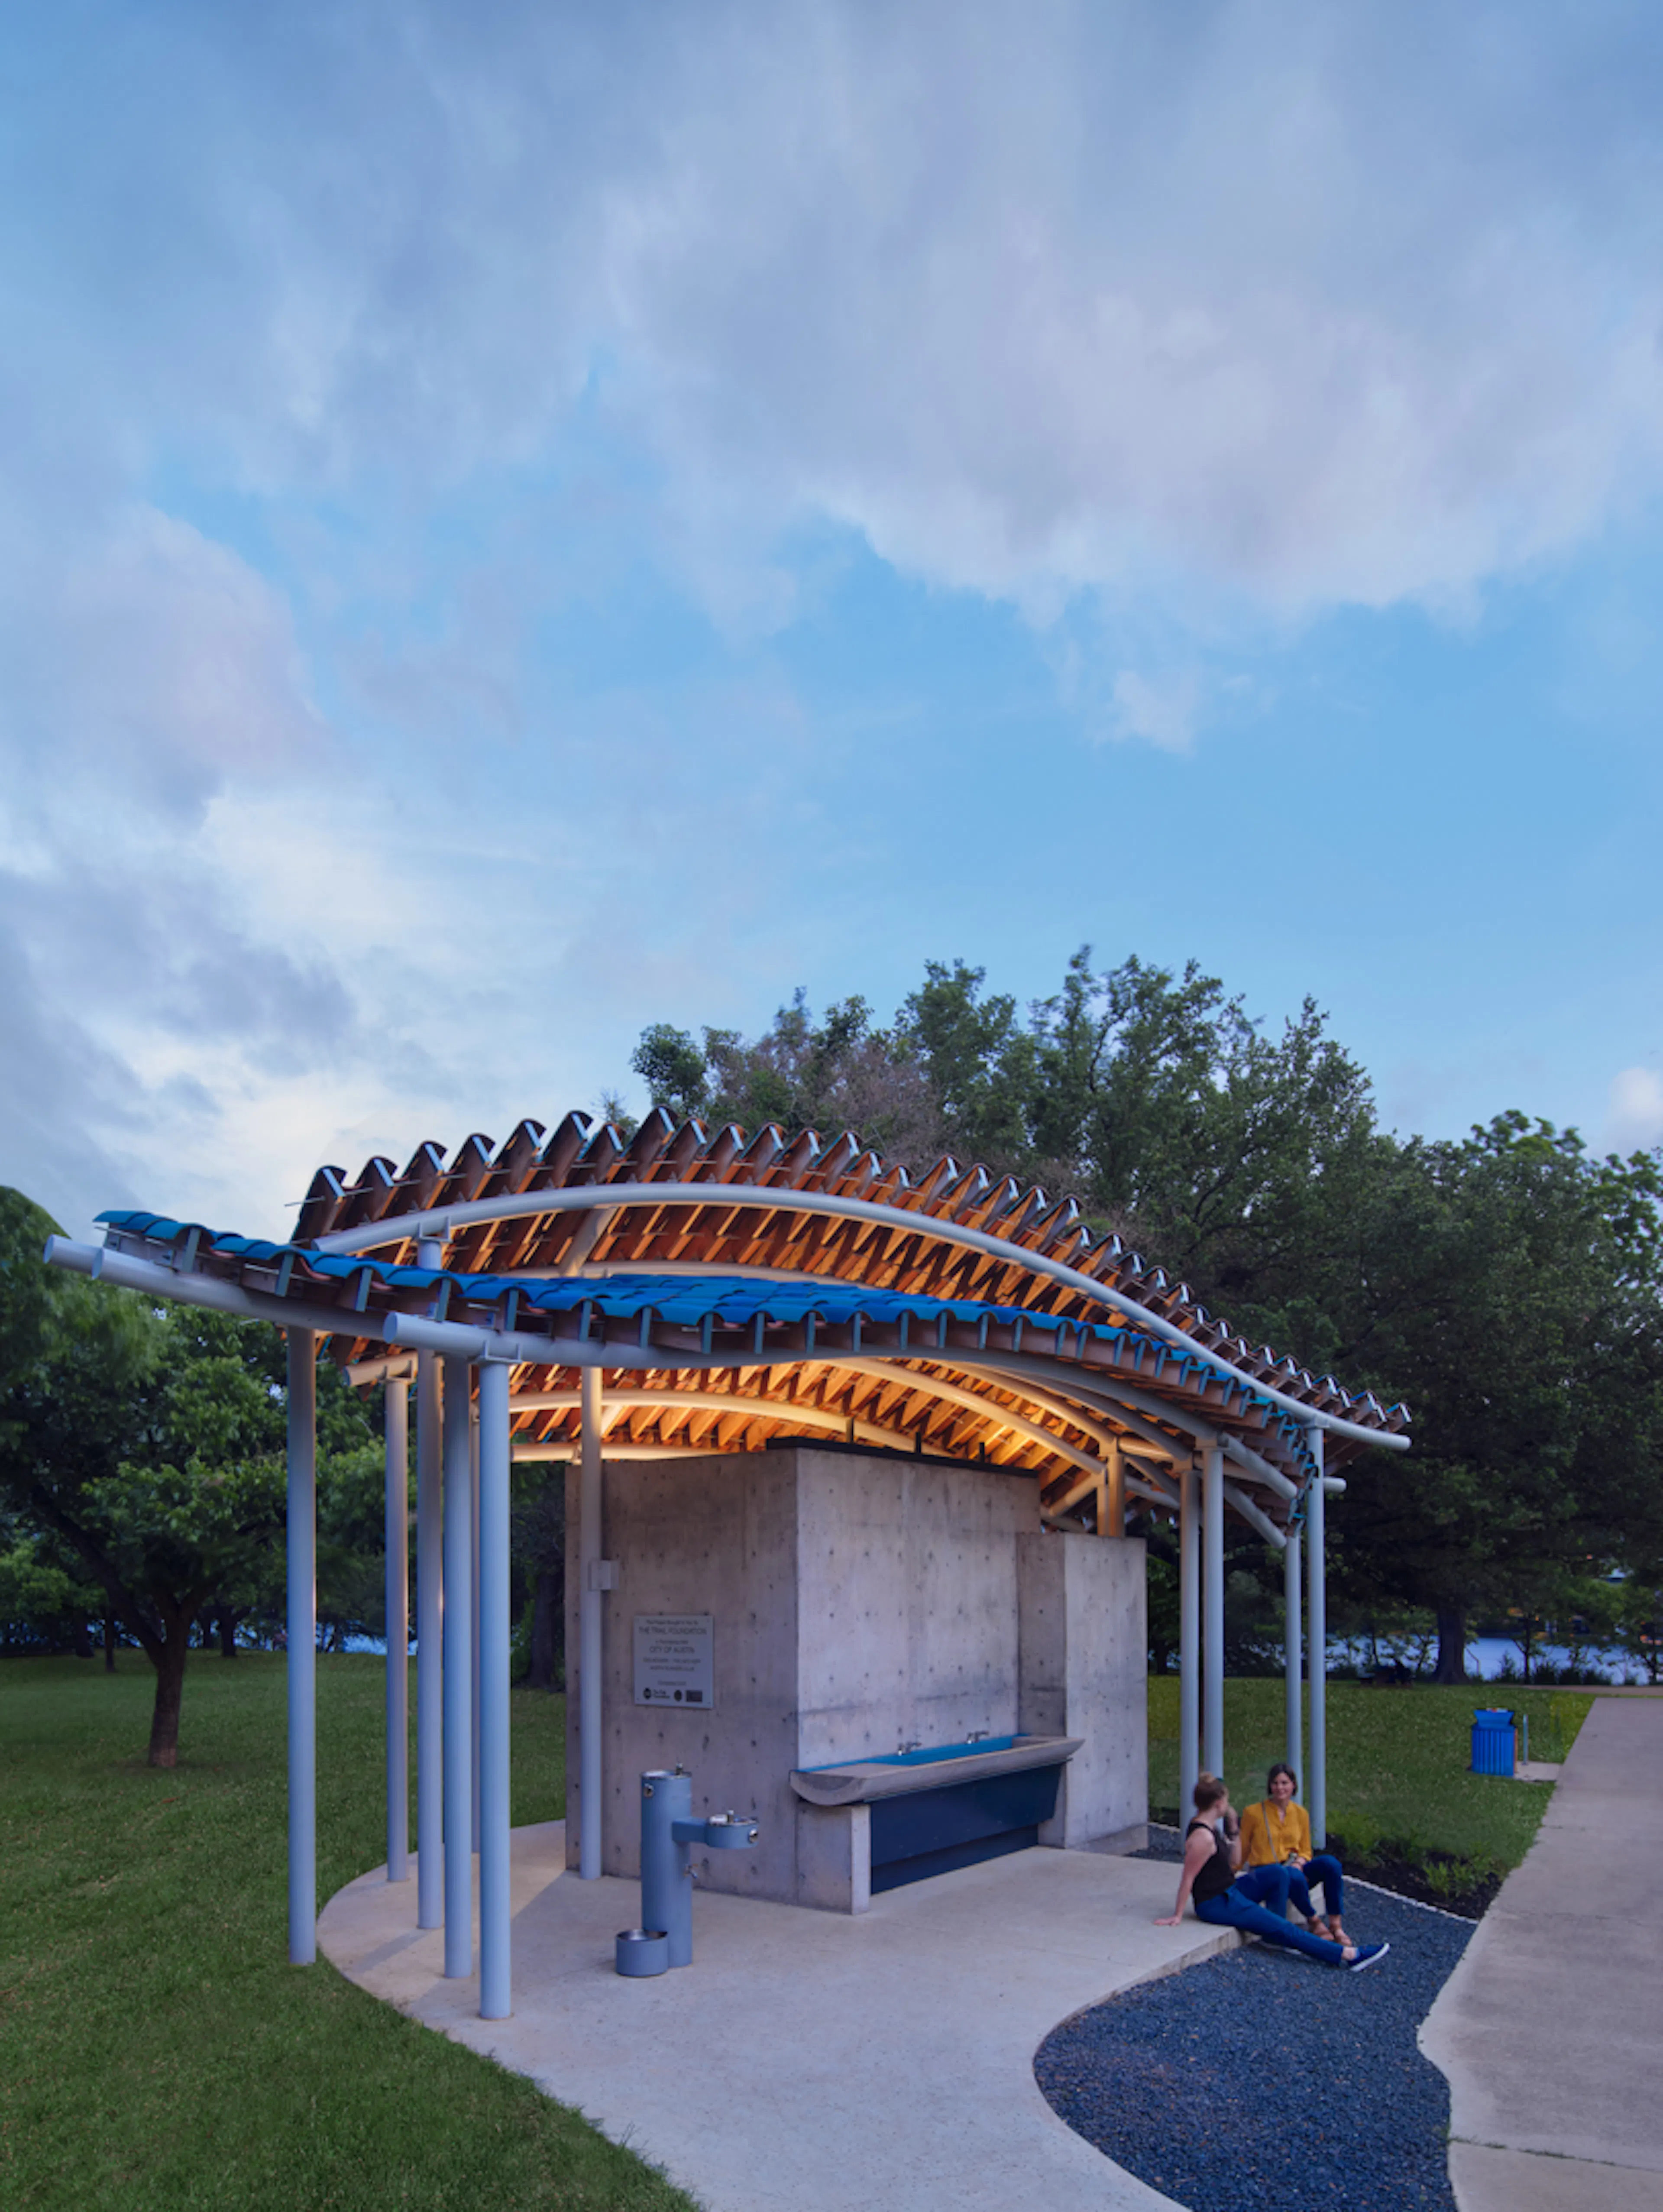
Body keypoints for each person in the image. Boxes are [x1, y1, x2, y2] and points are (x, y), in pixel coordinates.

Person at [1156, 1773, 1388, 1971]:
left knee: (1278, 1872)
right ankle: (1347, 1956)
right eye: (1226, 1799)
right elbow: (1188, 1878)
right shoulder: (1202, 1838)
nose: (1228, 1804)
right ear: (1218, 1803)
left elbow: (1234, 1862)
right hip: (1216, 1904)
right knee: (1285, 1927)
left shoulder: (1211, 1828)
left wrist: (1235, 1830)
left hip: (1230, 1890)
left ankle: (1272, 1935)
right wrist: (1177, 1915)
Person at [1239, 1762, 1351, 1946]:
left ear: (1293, 1785)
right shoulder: (1253, 1813)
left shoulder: (1301, 1814)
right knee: (1290, 1875)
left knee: (1331, 1864)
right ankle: (1314, 1921)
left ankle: (1336, 1926)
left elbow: (1306, 1850)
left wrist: (1299, 1863)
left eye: (1284, 1783)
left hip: (1294, 1867)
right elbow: (1242, 1848)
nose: (1280, 1788)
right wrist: (1231, 1872)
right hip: (1268, 1872)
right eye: (1275, 1783)